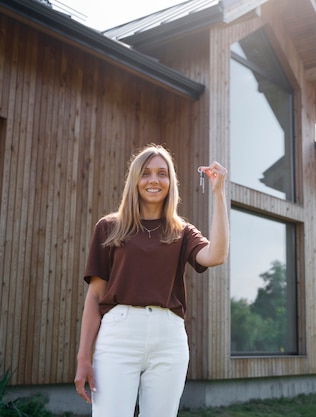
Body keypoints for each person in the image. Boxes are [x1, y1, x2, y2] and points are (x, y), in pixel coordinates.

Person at [74, 144, 229, 416]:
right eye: (145, 173)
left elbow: (216, 255)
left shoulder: (182, 232)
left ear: (171, 182)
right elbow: (95, 296)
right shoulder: (109, 227)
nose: (154, 180)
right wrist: (83, 356)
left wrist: (218, 194)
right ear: (135, 180)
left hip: (169, 338)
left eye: (162, 173)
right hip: (117, 337)